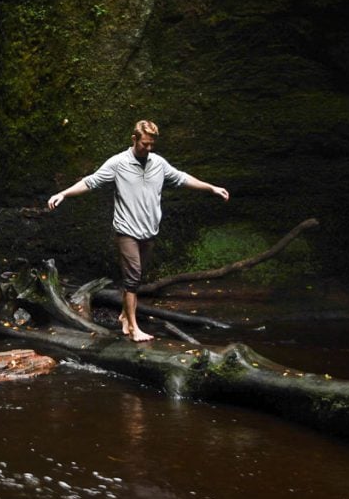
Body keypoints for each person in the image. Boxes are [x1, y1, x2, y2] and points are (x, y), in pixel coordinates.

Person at [47, 120, 229, 342]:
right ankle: (134, 328)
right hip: (127, 231)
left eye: (152, 144)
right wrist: (63, 194)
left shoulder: (158, 163)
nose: (148, 149)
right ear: (134, 139)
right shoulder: (118, 163)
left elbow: (182, 178)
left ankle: (125, 315)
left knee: (136, 276)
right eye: (145, 144)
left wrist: (210, 187)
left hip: (149, 230)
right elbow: (91, 181)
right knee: (133, 277)